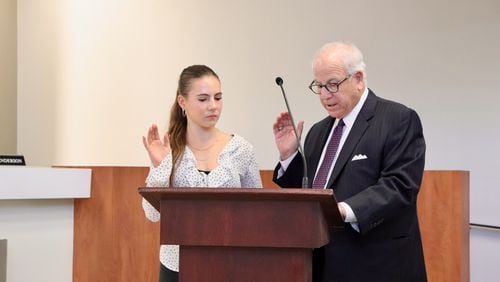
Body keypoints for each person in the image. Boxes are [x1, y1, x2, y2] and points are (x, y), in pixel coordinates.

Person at [272, 42, 427, 282]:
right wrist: (289, 156)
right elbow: (308, 192)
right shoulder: (318, 131)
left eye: (332, 84)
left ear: (358, 78)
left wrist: (341, 211)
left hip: (377, 265)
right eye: (319, 86)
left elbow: (399, 186)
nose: (324, 95)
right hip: (324, 265)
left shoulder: (397, 119)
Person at [142, 64, 262, 282]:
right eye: (203, 99)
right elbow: (152, 215)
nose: (213, 106)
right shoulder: (168, 148)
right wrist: (161, 165)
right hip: (176, 265)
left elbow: (256, 213)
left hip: (230, 264)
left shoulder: (241, 149)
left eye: (218, 97)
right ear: (182, 101)